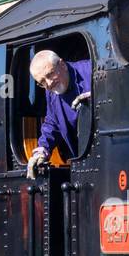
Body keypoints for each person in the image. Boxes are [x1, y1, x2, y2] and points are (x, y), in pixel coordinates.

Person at [25, 49, 91, 179]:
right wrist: (42, 149)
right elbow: (52, 122)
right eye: (42, 82)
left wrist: (97, 96)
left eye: (50, 74)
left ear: (62, 65)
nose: (48, 84)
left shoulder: (91, 70)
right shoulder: (51, 91)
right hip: (84, 160)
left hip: (115, 153)